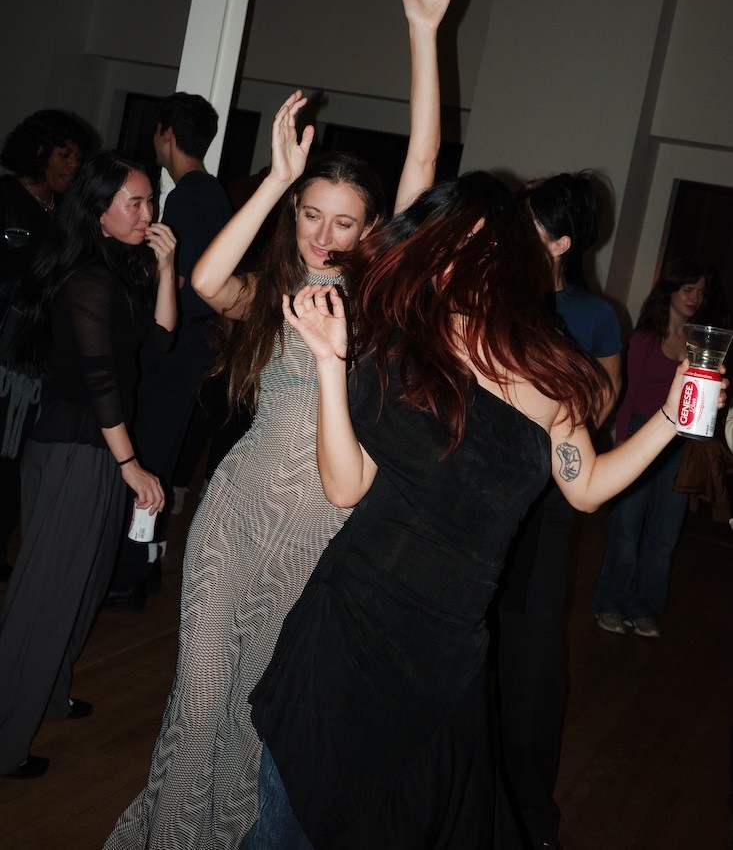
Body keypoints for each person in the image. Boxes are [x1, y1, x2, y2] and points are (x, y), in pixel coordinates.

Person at [241, 176, 724, 850]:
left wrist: (672, 416)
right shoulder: (403, 346)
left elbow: (585, 487)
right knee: (285, 830)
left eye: (469, 248)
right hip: (346, 629)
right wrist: (329, 362)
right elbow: (345, 487)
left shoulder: (551, 374)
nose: (451, 265)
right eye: (443, 249)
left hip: (445, 653)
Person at [104, 0, 459, 849]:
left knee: (254, 704)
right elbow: (208, 277)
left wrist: (424, 34)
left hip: (317, 532)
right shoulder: (276, 291)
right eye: (311, 216)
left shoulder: (381, 305)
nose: (322, 237)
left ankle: (221, 832)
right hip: (235, 512)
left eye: (344, 223)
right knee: (199, 694)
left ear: (372, 231)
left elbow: (422, 165)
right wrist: (273, 181)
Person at [0, 151, 175, 779]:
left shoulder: (118, 270)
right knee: (45, 595)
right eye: (135, 203)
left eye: (151, 201)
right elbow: (102, 381)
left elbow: (160, 344)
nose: (148, 214)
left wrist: (167, 268)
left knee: (84, 581)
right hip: (77, 447)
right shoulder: (88, 280)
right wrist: (131, 464)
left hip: (97, 448)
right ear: (98, 212)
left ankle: (47, 693)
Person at [495, 172, 622, 850]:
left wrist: (553, 413)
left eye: (530, 224)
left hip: (546, 499)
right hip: (483, 493)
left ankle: (528, 815)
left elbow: (600, 404)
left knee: (534, 659)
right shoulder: (494, 297)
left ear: (562, 242)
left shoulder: (594, 315)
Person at [105, 93, 232, 608]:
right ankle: (143, 566)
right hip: (200, 342)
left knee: (148, 455)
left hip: (178, 344)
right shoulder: (214, 193)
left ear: (168, 135)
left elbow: (176, 282)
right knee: (162, 451)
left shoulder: (185, 199)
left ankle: (128, 574)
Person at [593, 257, 707, 639]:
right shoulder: (645, 337)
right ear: (670, 291)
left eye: (700, 291)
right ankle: (611, 604)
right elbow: (625, 395)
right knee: (627, 528)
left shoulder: (698, 342)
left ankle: (644, 609)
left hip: (678, 441)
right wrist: (622, 443)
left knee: (664, 534)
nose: (695, 297)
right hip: (641, 432)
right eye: (688, 289)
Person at [0, 109, 91, 582]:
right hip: (6, 360)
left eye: (78, 156)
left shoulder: (65, 211)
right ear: (38, 152)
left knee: (15, 461)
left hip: (40, 362)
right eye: (64, 154)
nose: (73, 165)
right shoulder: (6, 197)